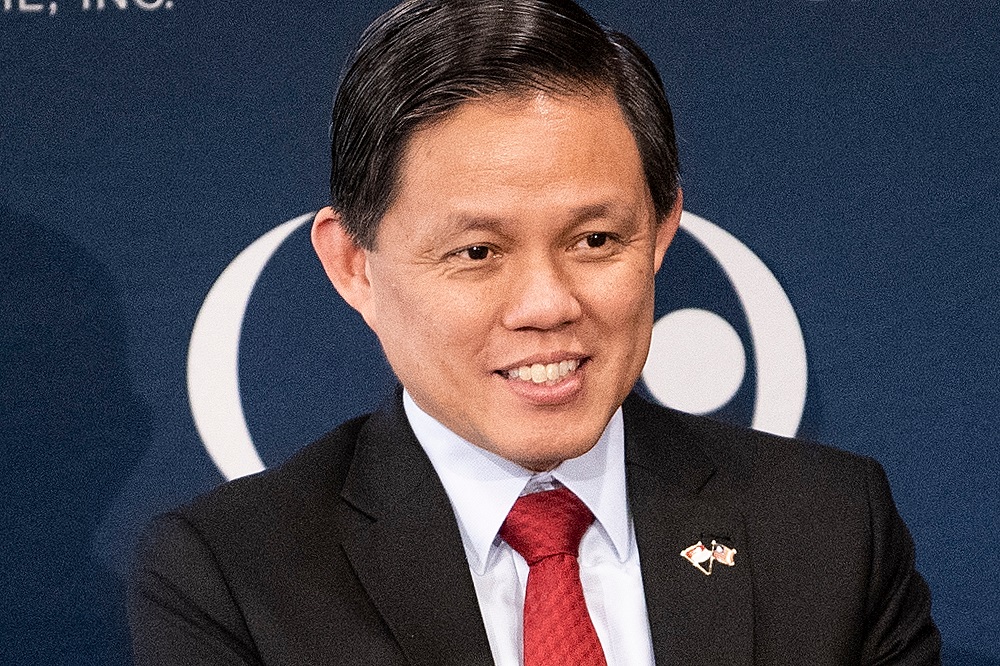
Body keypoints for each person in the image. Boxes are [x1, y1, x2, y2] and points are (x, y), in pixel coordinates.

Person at [128, 1, 941, 664]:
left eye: (594, 240)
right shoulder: (233, 578)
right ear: (354, 266)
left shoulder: (831, 529)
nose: (548, 304)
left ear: (661, 233)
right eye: (478, 252)